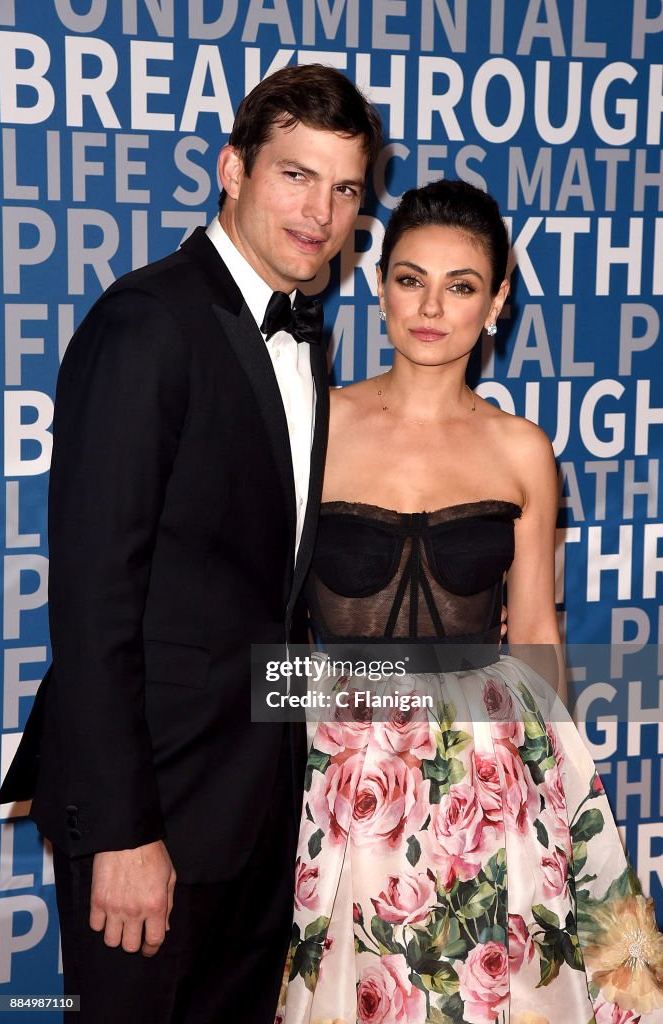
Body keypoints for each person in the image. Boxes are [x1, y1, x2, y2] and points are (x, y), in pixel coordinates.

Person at [0, 65, 382, 1024]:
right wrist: (124, 834)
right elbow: (94, 601)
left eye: (345, 190)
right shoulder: (148, 324)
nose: (321, 212)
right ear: (231, 170)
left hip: (258, 809)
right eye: (296, 176)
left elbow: (262, 585)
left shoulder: (306, 337)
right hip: (153, 814)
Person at [279, 180, 663, 1024]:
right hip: (334, 768)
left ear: (495, 303)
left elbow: (532, 627)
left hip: (484, 781)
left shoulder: (522, 450)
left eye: (460, 287)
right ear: (378, 287)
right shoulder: (311, 427)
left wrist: (555, 797)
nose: (431, 308)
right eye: (411, 279)